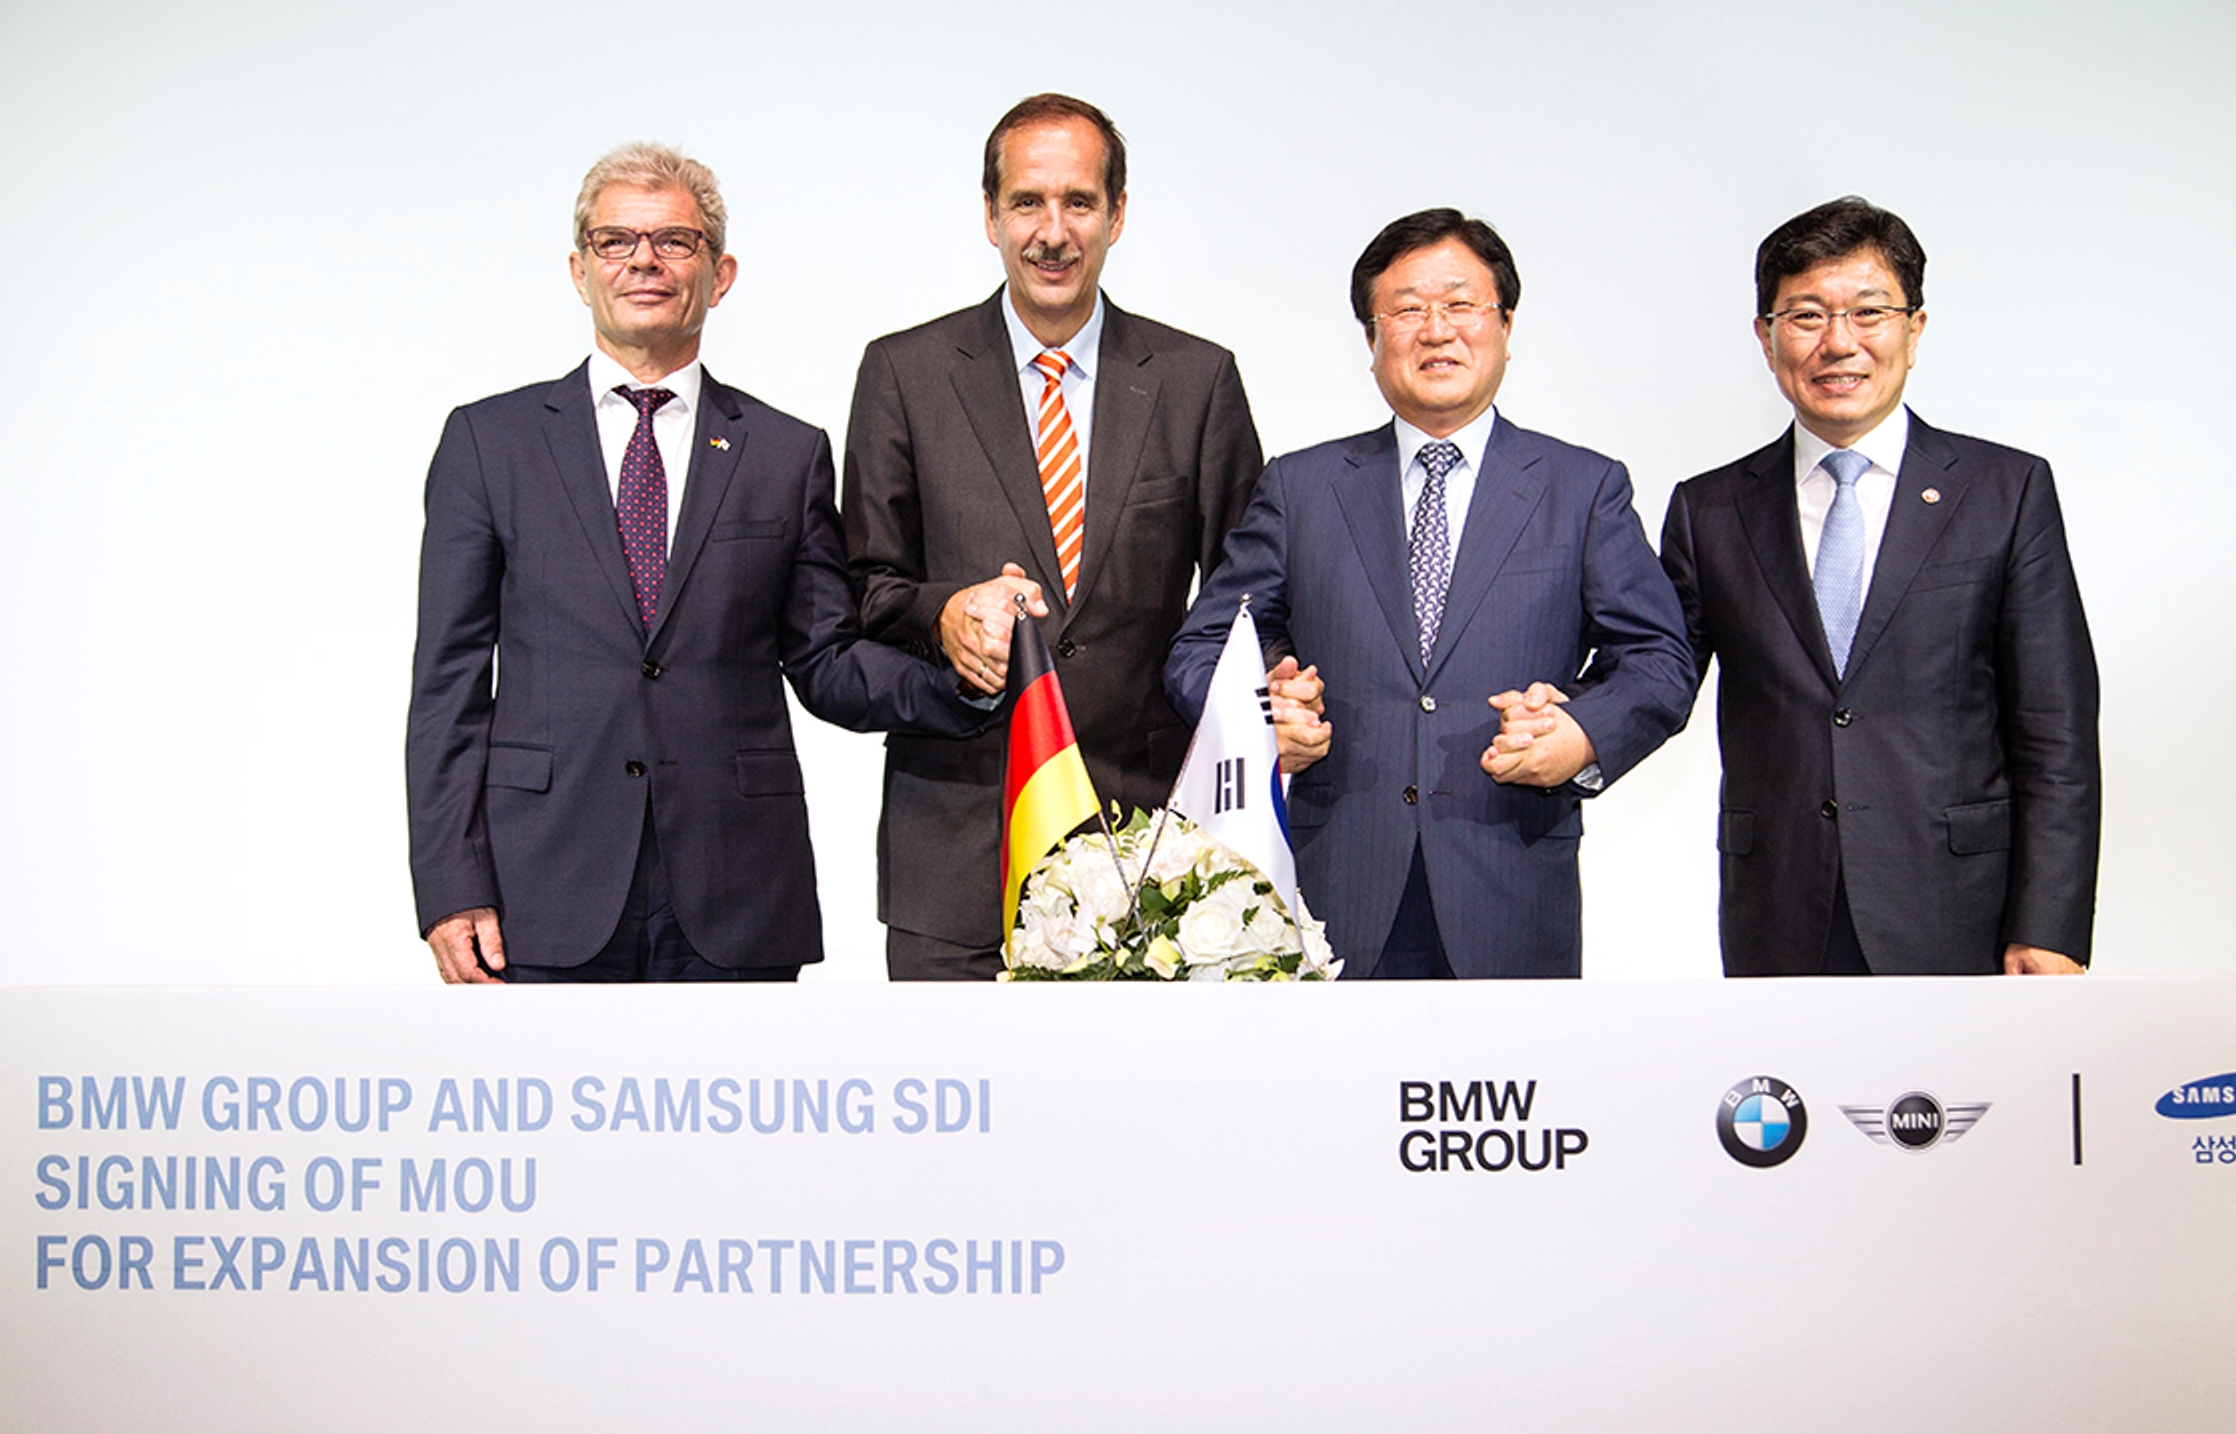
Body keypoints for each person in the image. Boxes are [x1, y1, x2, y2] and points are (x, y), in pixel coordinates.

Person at [406, 143, 984, 983]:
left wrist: (967, 680)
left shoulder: (785, 454)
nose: (643, 259)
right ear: (579, 271)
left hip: (736, 892)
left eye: (675, 241)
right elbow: (447, 688)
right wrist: (452, 885)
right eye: (615, 241)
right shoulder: (489, 444)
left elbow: (826, 660)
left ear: (720, 275)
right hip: (543, 888)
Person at [1165, 209, 1696, 978]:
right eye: (1408, 310)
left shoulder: (1583, 488)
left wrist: (1578, 736)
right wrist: (1260, 719)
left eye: (1461, 305)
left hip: (1511, 894)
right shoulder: (1301, 488)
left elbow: (1658, 662)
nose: (1437, 330)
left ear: (1505, 327)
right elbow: (1203, 645)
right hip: (1331, 896)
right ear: (1372, 341)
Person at [842, 93, 1265, 980]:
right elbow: (867, 590)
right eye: (1027, 202)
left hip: (1154, 862)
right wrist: (945, 615)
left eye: (1079, 201)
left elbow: (1248, 604)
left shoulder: (1197, 381)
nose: (1053, 231)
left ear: (1117, 214)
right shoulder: (904, 373)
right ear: (990, 215)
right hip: (957, 850)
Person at [1660, 195, 2099, 976]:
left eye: (1868, 312)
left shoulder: (2005, 491)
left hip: (1962, 913)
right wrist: (1566, 725)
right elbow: (1657, 679)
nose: (1839, 343)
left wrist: (2050, 925)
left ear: (1914, 329)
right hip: (1780, 911)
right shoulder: (1711, 510)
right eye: (1806, 316)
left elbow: (2055, 732)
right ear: (1766, 337)